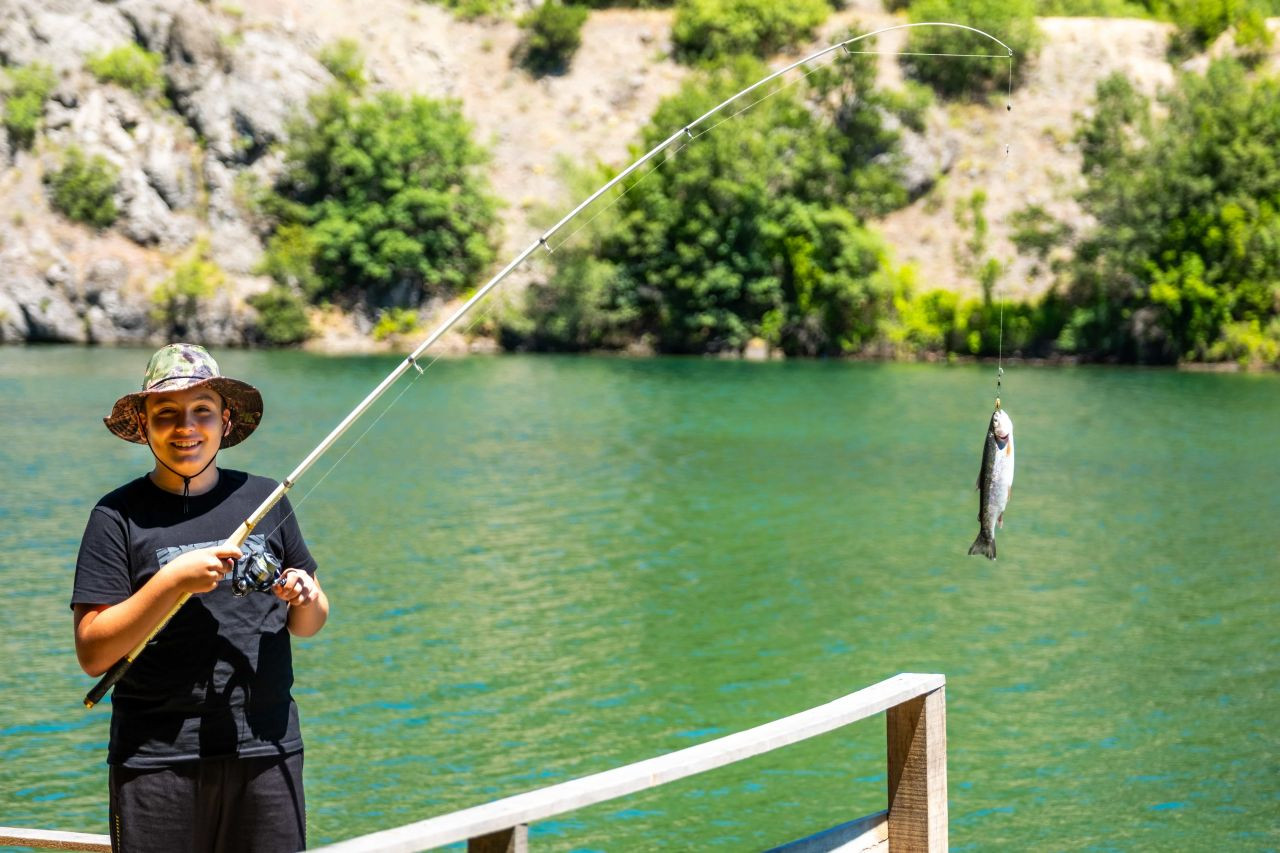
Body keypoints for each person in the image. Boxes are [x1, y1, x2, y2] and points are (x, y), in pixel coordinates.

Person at [71, 343, 329, 853]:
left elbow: (310, 622)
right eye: (166, 414)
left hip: (267, 749)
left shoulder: (266, 497)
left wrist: (305, 595)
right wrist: (172, 582)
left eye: (202, 412)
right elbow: (93, 652)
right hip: (155, 760)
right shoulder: (116, 516)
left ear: (225, 422)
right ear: (144, 427)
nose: (185, 427)